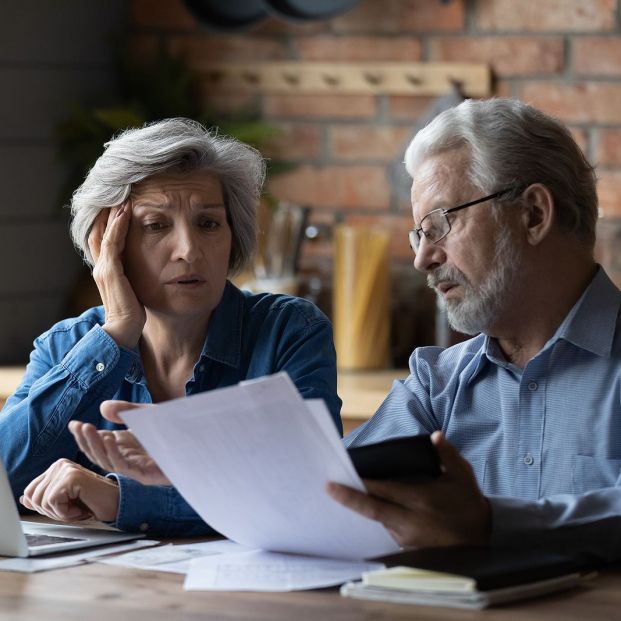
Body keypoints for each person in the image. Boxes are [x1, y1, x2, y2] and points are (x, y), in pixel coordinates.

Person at [59, 99, 621, 564]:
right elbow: (327, 493)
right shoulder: (437, 383)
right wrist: (203, 469)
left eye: (441, 224)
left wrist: (493, 524)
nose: (424, 258)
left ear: (533, 215)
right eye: (417, 234)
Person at [0, 118, 342, 537]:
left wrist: (120, 498)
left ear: (233, 236)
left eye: (209, 223)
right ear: (108, 245)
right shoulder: (67, 346)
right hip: (99, 590)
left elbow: (310, 488)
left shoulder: (289, 330)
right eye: (156, 226)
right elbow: (5, 479)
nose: (189, 250)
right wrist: (118, 332)